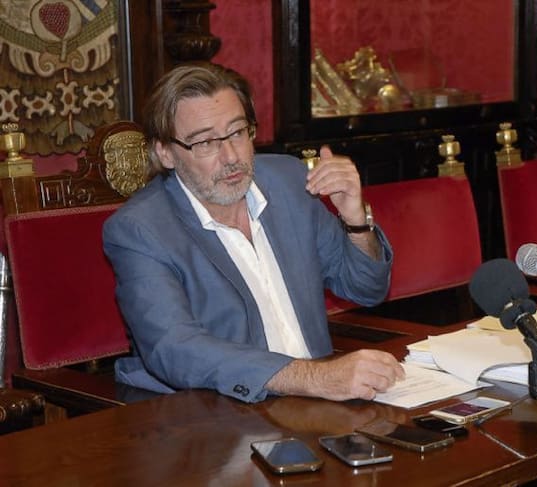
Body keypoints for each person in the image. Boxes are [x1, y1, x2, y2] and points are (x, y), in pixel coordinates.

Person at [103, 62, 404, 403]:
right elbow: (174, 349)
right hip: (216, 411)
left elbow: (367, 289)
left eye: (237, 132)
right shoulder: (140, 230)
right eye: (205, 142)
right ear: (165, 153)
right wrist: (313, 378)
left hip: (317, 401)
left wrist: (355, 220)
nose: (231, 157)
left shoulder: (289, 182)